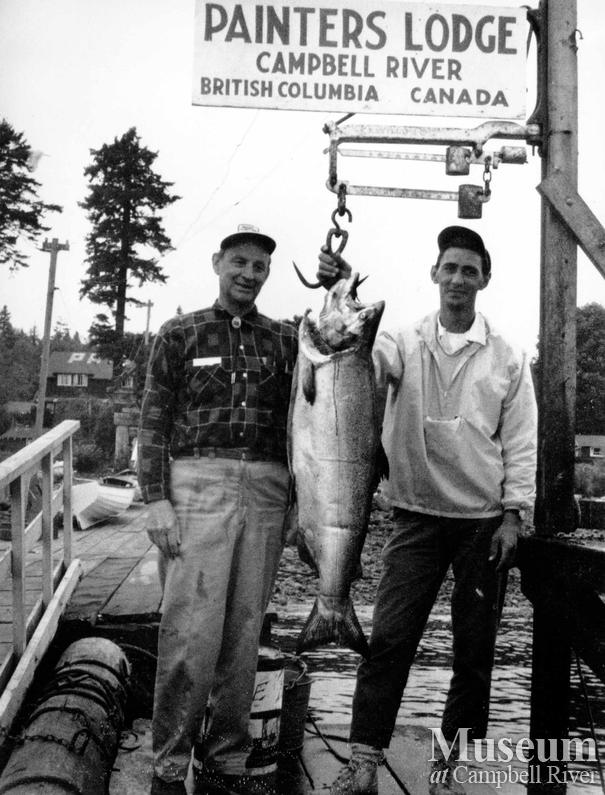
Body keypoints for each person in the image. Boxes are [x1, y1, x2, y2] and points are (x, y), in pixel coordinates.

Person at [317, 226, 538, 795]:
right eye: (450, 268)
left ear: (484, 279)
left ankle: (450, 770)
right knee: (389, 639)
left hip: (482, 524)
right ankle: (364, 760)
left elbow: (520, 442)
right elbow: (358, 361)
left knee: (474, 653)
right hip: (413, 515)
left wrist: (515, 513)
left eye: (470, 270)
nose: (459, 279)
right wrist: (338, 290)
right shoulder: (401, 341)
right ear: (434, 274)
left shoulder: (508, 356)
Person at [137, 224, 298, 795]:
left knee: (242, 632)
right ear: (217, 263)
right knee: (189, 633)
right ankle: (169, 761)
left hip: (265, 487)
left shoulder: (286, 341)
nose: (248, 275)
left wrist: (298, 502)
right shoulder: (179, 333)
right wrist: (154, 498)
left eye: (259, 267)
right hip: (196, 484)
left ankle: (227, 757)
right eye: (239, 263)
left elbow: (302, 428)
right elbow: (153, 420)